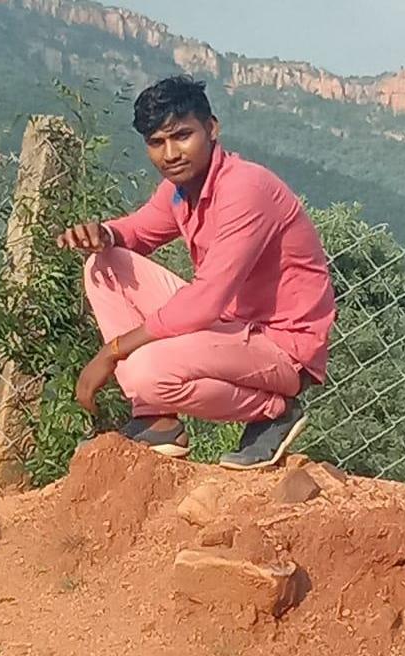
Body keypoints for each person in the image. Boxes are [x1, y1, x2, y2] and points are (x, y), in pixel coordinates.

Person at [57, 75, 336, 470]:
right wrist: (103, 234)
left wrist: (113, 351)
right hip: (231, 328)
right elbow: (138, 231)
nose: (171, 153)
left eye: (182, 136)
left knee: (147, 368)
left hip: (282, 349)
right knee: (105, 265)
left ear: (211, 128)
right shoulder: (180, 190)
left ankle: (276, 410)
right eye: (157, 142)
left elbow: (205, 302)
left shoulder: (245, 188)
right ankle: (156, 419)